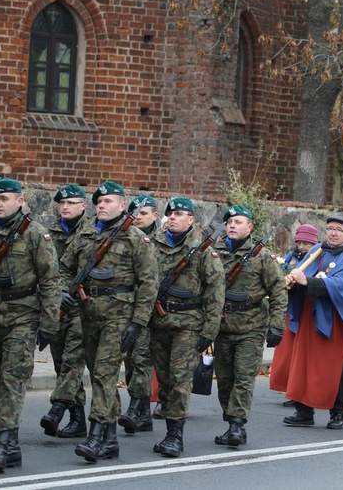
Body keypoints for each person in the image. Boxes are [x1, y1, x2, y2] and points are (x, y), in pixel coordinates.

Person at [60, 181, 159, 462]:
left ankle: (94, 437)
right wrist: (62, 292)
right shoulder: (85, 234)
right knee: (99, 375)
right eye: (99, 201)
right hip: (88, 315)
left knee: (104, 375)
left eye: (108, 201)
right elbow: (65, 267)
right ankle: (111, 438)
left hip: (119, 316)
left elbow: (149, 284)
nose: (102, 205)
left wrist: (137, 322)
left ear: (122, 204)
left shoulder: (136, 238)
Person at [0, 178, 60, 473]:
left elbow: (51, 280)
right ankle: (13, 444)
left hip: (23, 316)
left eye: (4, 199)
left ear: (20, 201)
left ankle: (2, 443)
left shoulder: (34, 233)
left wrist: (49, 322)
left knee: (12, 378)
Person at [281, 215, 343, 430]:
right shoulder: (317, 253)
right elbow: (302, 276)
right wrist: (292, 283)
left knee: (338, 368)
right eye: (330, 228)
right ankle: (304, 410)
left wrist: (310, 282)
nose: (333, 233)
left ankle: (338, 414)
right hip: (310, 319)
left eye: (339, 230)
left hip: (337, 322)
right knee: (305, 364)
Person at [148, 198, 224, 457]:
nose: (173, 218)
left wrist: (209, 331)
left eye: (179, 214)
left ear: (191, 220)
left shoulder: (202, 251)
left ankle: (175, 436)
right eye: (170, 214)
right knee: (165, 380)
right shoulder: (153, 247)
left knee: (180, 380)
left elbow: (216, 292)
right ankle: (169, 426)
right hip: (158, 324)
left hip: (188, 327)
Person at [213, 204, 287, 446]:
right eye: (230, 222)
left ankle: (236, 425)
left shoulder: (262, 257)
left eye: (238, 222)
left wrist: (276, 325)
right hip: (222, 327)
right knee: (224, 379)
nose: (232, 225)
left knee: (243, 377)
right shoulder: (214, 253)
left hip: (251, 328)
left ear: (250, 227)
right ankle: (231, 422)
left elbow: (278, 291)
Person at [40, 185, 89, 440]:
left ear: (84, 206)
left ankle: (57, 408)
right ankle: (78, 419)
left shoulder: (92, 234)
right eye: (62, 203)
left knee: (72, 360)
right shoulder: (50, 234)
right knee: (61, 363)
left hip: (84, 310)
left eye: (71, 203)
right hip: (58, 308)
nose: (65, 207)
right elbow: (47, 271)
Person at [119, 195, 159, 434]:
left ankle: (134, 408)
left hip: (151, 311)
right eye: (134, 214)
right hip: (126, 308)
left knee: (143, 359)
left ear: (155, 216)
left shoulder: (163, 242)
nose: (137, 218)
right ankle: (143, 415)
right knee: (131, 361)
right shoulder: (125, 240)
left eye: (143, 214)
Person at [270, 224, 318, 407]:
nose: (302, 247)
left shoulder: (316, 258)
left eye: (306, 243)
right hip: (290, 309)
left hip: (306, 309)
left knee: (302, 355)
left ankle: (298, 391)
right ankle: (287, 387)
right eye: (299, 242)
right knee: (287, 353)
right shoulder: (290, 257)